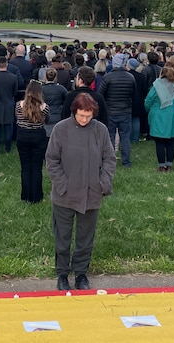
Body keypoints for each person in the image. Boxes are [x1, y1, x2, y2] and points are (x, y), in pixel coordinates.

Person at [46, 92, 116, 292]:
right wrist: (62, 185)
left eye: (88, 116)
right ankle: (62, 274)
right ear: (74, 112)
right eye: (81, 115)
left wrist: (104, 183)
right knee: (63, 238)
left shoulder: (100, 130)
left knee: (85, 238)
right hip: (64, 195)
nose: (85, 119)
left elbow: (109, 159)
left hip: (92, 194)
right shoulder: (61, 129)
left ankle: (81, 273)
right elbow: (51, 160)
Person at [97, 52, 136, 168]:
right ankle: (126, 161)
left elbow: (101, 94)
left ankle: (110, 161)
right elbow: (133, 94)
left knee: (110, 137)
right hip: (125, 111)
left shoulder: (108, 77)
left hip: (111, 111)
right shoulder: (130, 77)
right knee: (125, 137)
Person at [15, 81, 49, 203]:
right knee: (36, 168)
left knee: (25, 168)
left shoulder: (19, 105)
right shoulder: (44, 107)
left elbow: (17, 118)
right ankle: (36, 196)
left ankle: (25, 195)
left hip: (23, 135)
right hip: (38, 136)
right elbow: (47, 120)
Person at [144, 66, 174, 172]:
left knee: (159, 143)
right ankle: (169, 165)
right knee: (171, 142)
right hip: (173, 117)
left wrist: (150, 111)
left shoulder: (155, 87)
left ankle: (161, 165)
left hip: (159, 117)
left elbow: (148, 102)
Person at [0, 56, 18, 154]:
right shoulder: (13, 77)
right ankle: (8, 148)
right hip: (9, 103)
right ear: (7, 64)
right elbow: (15, 92)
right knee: (8, 127)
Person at [41, 67, 68, 138]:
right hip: (58, 115)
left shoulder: (41, 89)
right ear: (55, 77)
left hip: (45, 115)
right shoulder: (61, 89)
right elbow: (67, 99)